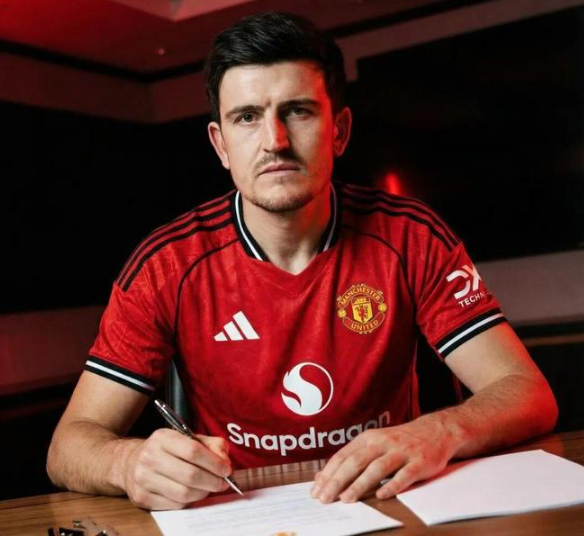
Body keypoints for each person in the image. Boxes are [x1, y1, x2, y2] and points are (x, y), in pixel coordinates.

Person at [47, 11, 557, 510]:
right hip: (245, 514)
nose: (275, 141)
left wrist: (437, 431)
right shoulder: (166, 265)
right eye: (247, 117)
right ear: (221, 145)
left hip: (392, 504)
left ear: (339, 130)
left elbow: (527, 393)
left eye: (298, 111)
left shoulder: (411, 236)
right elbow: (68, 445)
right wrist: (127, 463)